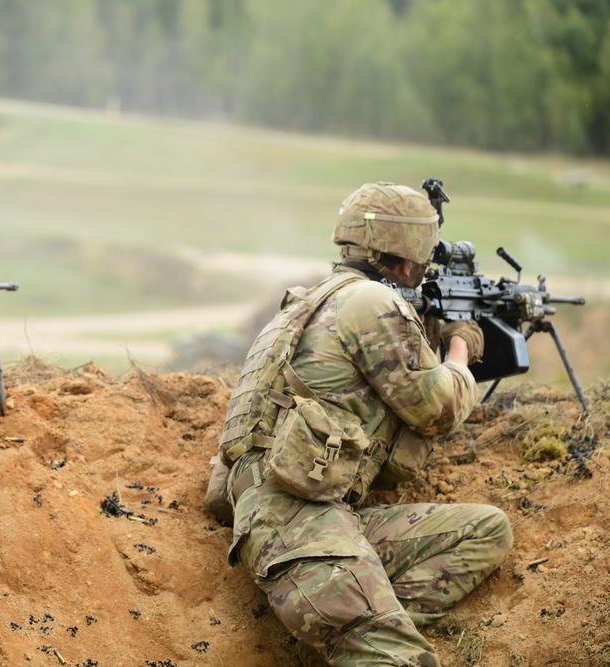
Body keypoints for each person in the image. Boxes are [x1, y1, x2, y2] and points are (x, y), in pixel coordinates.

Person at [217, 182, 512, 666]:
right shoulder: (372, 303)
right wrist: (460, 346)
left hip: (309, 518)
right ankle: (362, 636)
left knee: (486, 529)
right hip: (297, 527)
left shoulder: (307, 303)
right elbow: (439, 411)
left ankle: (360, 626)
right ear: (407, 257)